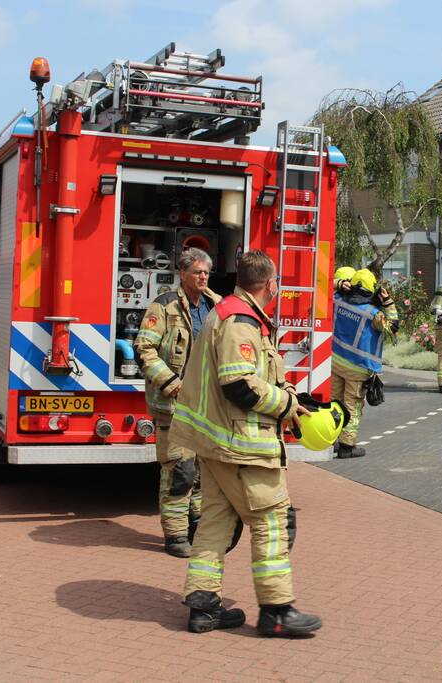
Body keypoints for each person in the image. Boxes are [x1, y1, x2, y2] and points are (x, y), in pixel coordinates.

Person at [171, 250, 321, 637]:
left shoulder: (230, 312)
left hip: (218, 443)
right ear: (271, 284)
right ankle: (276, 611)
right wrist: (288, 404)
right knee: (271, 522)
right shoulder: (240, 320)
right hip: (242, 446)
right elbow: (238, 384)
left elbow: (254, 374)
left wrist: (289, 391)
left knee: (215, 523)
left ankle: (203, 607)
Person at [133, 247, 220, 558]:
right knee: (179, 471)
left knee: (200, 473)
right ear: (182, 274)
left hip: (205, 406)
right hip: (173, 406)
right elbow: (144, 349)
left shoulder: (215, 305)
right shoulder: (164, 306)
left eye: (206, 272)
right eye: (197, 271)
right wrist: (171, 384)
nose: (203, 276)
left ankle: (196, 527)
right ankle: (175, 535)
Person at [330, 268, 396, 458]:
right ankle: (347, 447)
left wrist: (338, 284)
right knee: (352, 406)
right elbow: (393, 328)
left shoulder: (338, 300)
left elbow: (323, 286)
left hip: (335, 361)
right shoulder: (374, 314)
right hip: (358, 367)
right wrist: (388, 303)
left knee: (335, 401)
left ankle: (331, 440)